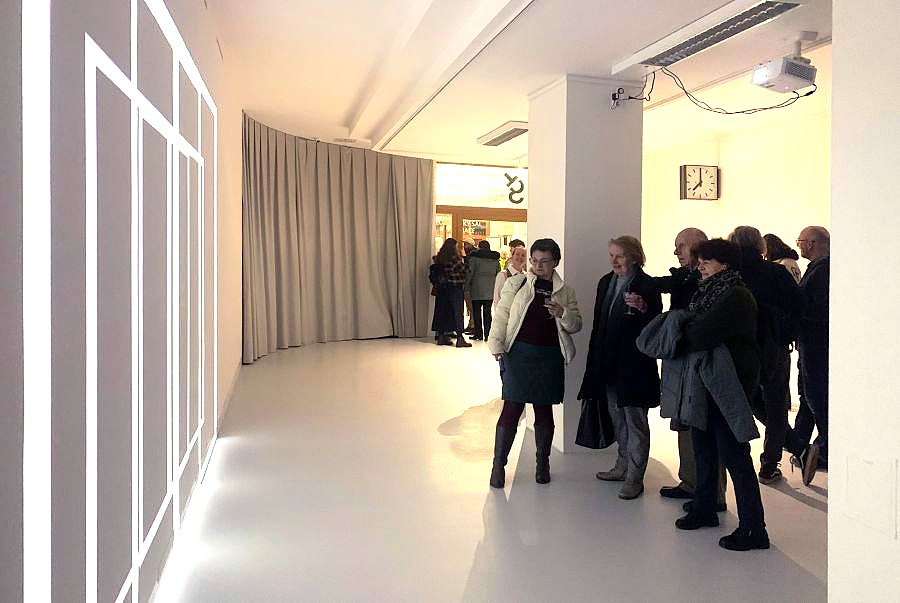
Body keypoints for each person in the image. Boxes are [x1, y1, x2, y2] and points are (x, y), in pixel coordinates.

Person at [672, 238, 769, 551]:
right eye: (700, 260)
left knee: (734, 455)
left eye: (707, 261)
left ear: (725, 264)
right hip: (708, 382)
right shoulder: (710, 291)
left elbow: (700, 333)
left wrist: (683, 328)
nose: (700, 266)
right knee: (703, 446)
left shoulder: (735, 295)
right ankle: (705, 507)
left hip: (729, 384)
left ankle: (754, 529)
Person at [487, 238, 582, 487]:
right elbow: (502, 315)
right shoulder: (516, 283)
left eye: (544, 261)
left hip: (549, 356)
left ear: (555, 262)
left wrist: (562, 313)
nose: (538, 266)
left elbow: (576, 325)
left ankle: (542, 464)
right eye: (535, 260)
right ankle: (498, 465)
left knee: (543, 409)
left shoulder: (565, 291)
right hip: (519, 354)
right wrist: (496, 344)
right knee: (512, 407)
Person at [578, 236, 662, 500]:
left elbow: (655, 323)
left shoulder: (647, 285)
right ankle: (622, 467)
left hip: (635, 368)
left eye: (620, 256)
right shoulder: (606, 282)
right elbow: (598, 324)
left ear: (634, 257)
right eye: (611, 255)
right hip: (608, 365)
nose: (614, 261)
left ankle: (635, 478)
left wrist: (644, 308)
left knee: (636, 423)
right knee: (618, 420)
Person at [653, 228, 727, 511]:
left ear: (699, 246)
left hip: (701, 361)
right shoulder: (685, 278)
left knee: (702, 422)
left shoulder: (713, 284)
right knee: (684, 419)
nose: (676, 252)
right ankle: (691, 482)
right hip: (683, 358)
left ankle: (713, 493)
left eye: (681, 246)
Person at [729, 226, 802, 485]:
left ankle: (795, 446)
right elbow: (798, 306)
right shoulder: (776, 272)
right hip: (774, 348)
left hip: (740, 349)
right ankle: (771, 464)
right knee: (776, 405)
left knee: (749, 400)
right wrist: (784, 335)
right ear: (760, 245)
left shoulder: (730, 274)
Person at [784, 226, 830, 485]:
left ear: (811, 243)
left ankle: (824, 449)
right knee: (810, 395)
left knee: (816, 395)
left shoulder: (821, 271)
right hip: (813, 342)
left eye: (800, 241)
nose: (798, 245)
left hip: (816, 343)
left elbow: (813, 307)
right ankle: (804, 444)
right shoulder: (821, 268)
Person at [429, 238, 472, 348]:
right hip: (455, 287)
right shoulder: (454, 258)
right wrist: (466, 260)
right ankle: (460, 338)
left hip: (442, 289)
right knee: (458, 313)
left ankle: (441, 336)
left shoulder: (439, 258)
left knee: (442, 311)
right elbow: (464, 270)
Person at [466, 240, 501, 341]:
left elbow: (470, 273)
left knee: (476, 312)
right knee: (487, 313)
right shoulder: (495, 259)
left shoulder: (474, 258)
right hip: (490, 289)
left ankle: (478, 334)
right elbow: (498, 273)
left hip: (476, 288)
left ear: (479, 247)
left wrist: (466, 285)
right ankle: (488, 334)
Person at [493, 240, 526, 310]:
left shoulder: (526, 276)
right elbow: (497, 298)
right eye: (517, 254)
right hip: (506, 313)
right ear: (512, 256)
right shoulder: (503, 275)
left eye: (523, 255)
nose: (520, 257)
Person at [462, 238, 477, 334]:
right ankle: (471, 324)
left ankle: (472, 325)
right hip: (471, 285)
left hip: (470, 285)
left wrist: (466, 284)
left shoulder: (471, 256)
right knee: (471, 307)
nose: (465, 246)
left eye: (466, 244)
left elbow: (470, 272)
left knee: (471, 306)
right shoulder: (470, 255)